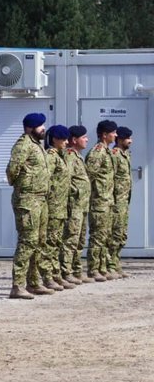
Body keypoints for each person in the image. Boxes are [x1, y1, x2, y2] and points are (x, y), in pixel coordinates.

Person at [6, 113, 50, 299]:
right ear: (31, 128)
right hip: (27, 200)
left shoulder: (37, 146)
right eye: (40, 126)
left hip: (40, 199)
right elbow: (12, 170)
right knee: (27, 241)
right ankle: (17, 286)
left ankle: (33, 282)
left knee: (39, 241)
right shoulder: (23, 145)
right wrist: (22, 187)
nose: (44, 129)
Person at [43, 126, 74, 291]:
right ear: (55, 139)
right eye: (64, 139)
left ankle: (56, 275)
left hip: (61, 206)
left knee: (56, 243)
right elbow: (45, 180)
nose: (67, 142)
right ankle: (47, 277)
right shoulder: (50, 157)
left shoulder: (60, 156)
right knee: (50, 243)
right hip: (53, 206)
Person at [85, 120, 117, 281]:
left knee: (105, 235)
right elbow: (88, 177)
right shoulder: (98, 152)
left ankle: (103, 267)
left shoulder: (108, 151)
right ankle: (93, 269)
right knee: (97, 236)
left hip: (107, 201)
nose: (116, 135)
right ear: (104, 135)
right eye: (113, 132)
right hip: (99, 201)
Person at [62, 126, 91, 283]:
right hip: (74, 204)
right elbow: (65, 180)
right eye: (84, 137)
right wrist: (76, 192)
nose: (87, 139)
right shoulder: (69, 156)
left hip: (83, 204)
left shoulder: (78, 156)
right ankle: (66, 272)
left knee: (79, 240)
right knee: (71, 239)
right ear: (74, 140)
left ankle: (76, 270)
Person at [110, 127, 133, 278]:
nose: (130, 141)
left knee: (121, 235)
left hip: (124, 200)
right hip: (116, 200)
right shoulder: (115, 155)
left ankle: (115, 263)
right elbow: (109, 178)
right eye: (128, 138)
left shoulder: (125, 155)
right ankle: (110, 265)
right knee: (114, 234)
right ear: (119, 139)